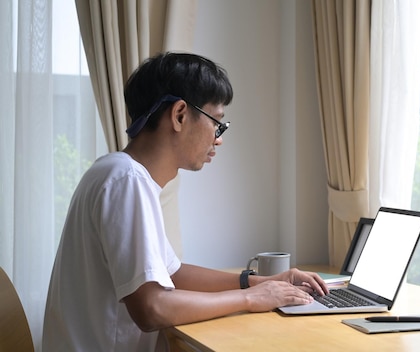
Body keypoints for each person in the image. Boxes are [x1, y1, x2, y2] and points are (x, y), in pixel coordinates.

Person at [42, 52, 328, 351]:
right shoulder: (127, 180)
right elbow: (152, 308)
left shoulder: (115, 171)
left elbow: (172, 273)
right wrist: (251, 299)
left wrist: (262, 282)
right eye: (217, 123)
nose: (219, 139)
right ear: (179, 115)